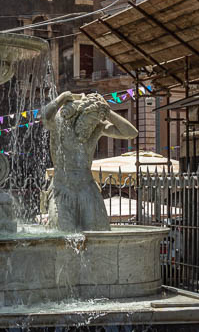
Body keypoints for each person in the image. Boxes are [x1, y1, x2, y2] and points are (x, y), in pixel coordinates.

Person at [42, 92, 138, 232]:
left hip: (87, 188)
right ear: (79, 116)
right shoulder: (60, 124)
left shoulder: (97, 128)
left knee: (99, 232)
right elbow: (44, 117)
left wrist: (107, 112)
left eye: (94, 123)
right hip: (62, 187)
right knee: (62, 234)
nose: (90, 127)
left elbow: (131, 133)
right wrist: (62, 98)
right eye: (88, 122)